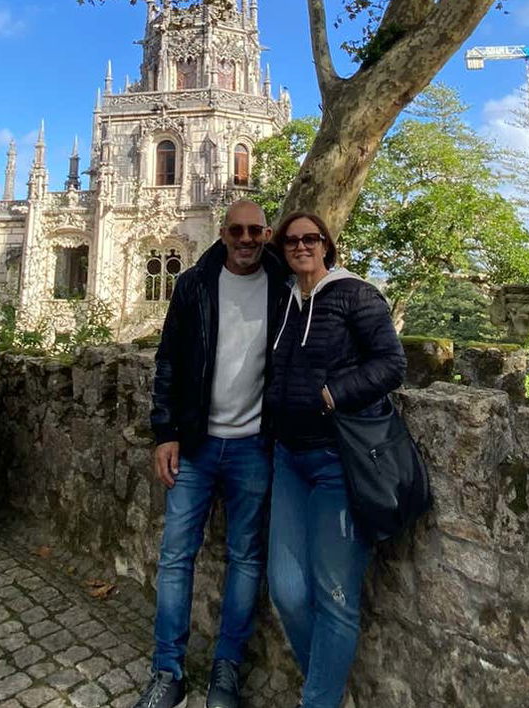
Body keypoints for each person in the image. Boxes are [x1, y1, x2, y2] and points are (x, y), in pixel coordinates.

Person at [136, 199, 287, 708]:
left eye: (255, 232)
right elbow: (170, 362)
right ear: (222, 232)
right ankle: (167, 672)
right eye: (237, 230)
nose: (246, 239)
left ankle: (227, 669)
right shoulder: (194, 284)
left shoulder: (286, 286)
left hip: (254, 447)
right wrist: (165, 432)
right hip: (197, 445)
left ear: (267, 235)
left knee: (246, 557)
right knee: (176, 556)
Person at [263, 211, 406, 708]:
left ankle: (317, 700)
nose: (301, 247)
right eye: (291, 241)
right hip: (288, 459)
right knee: (286, 591)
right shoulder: (284, 298)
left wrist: (332, 394)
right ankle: (322, 690)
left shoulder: (356, 294)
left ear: (327, 244)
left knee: (335, 597)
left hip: (336, 461)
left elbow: (393, 362)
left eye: (311, 239)